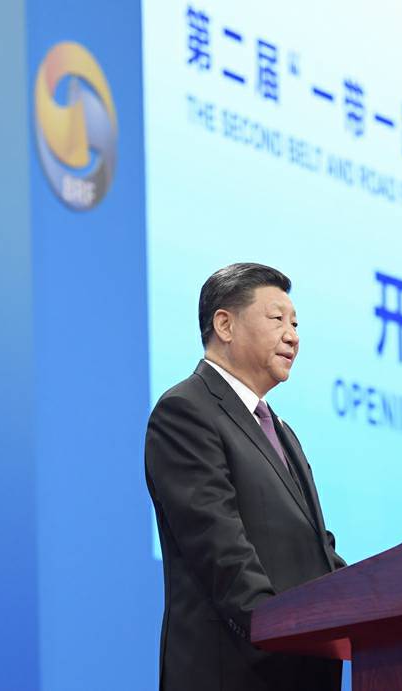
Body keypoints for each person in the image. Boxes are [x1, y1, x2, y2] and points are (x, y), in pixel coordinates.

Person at [145, 263, 345, 691]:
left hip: (301, 669)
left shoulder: (281, 430)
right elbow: (221, 551)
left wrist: (376, 602)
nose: (292, 336)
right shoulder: (186, 411)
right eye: (277, 319)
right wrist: (284, 631)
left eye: (295, 324)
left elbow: (317, 552)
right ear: (225, 325)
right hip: (234, 671)